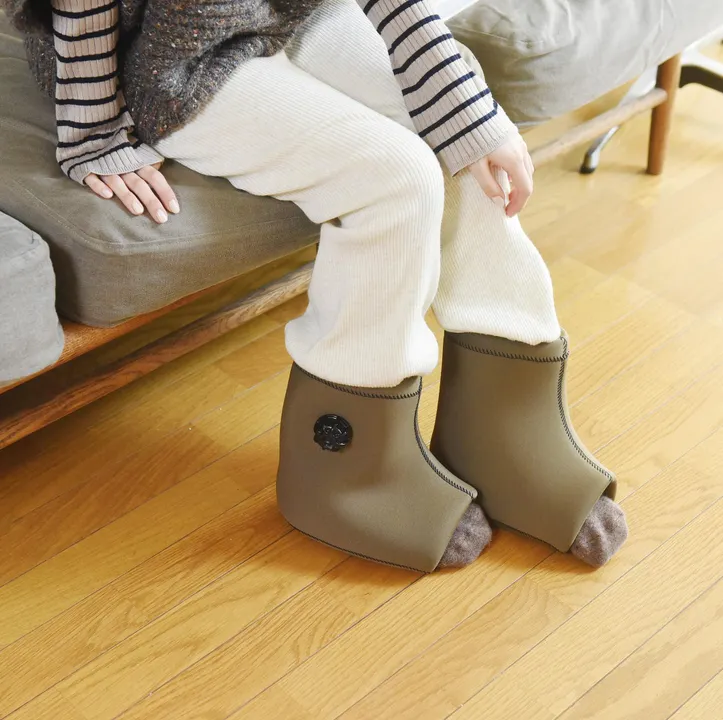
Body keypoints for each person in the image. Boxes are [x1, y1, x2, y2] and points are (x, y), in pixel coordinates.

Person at [7, 0, 628, 572]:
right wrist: (92, 129)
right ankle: (347, 470)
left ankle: (501, 428)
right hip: (153, 54)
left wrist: (471, 116)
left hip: (292, 9)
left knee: (454, 129)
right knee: (398, 176)